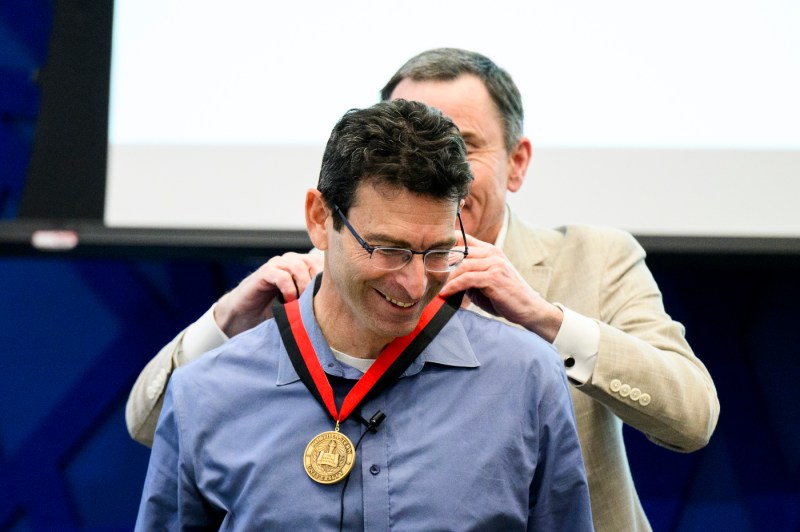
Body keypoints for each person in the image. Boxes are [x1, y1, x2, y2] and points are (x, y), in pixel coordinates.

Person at [127, 48, 720, 531]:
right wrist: (226, 322)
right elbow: (159, 425)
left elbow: (692, 419)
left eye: (461, 142)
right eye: (405, 138)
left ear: (517, 162)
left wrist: (548, 322)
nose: (430, 162)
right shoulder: (326, 271)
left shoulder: (592, 260)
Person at [134, 99, 593, 530]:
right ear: (319, 218)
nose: (415, 285)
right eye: (388, 249)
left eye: (438, 252)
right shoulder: (206, 392)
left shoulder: (526, 379)